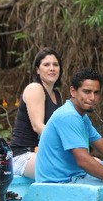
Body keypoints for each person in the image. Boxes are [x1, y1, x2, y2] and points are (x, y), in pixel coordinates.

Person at [10, 48, 63, 178]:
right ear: (37, 70)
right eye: (46, 65)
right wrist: (66, 142)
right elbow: (38, 126)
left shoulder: (57, 94)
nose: (52, 68)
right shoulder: (35, 89)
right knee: (66, 168)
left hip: (43, 153)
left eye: (55, 65)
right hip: (22, 156)